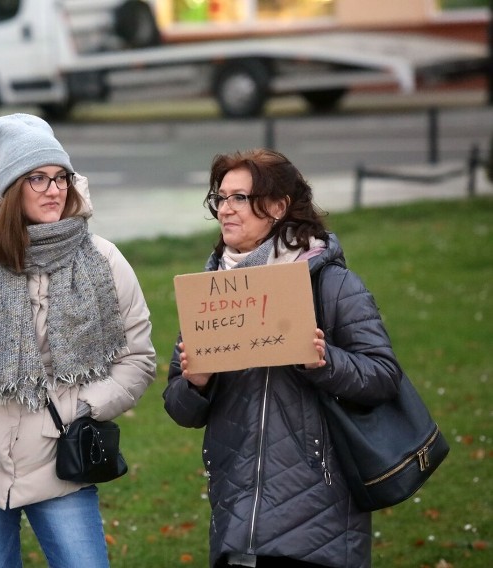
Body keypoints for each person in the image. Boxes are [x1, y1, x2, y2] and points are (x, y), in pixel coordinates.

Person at [163, 148, 402, 568]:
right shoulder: (212, 293)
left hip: (320, 513)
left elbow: (383, 376)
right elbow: (180, 408)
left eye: (240, 198)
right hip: (237, 514)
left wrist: (323, 360)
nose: (225, 210)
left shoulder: (331, 283)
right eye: (221, 198)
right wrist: (195, 384)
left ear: (277, 206)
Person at [0, 113, 156, 568]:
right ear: (10, 188)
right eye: (37, 178)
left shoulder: (104, 259)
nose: (54, 189)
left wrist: (81, 409)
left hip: (60, 460)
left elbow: (137, 360)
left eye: (60, 177)